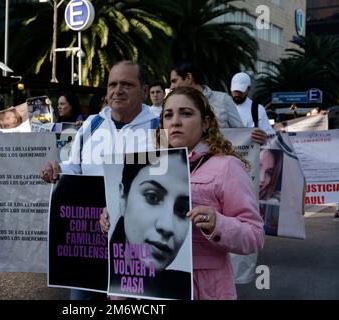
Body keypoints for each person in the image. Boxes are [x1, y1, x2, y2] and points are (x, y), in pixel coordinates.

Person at [101, 86, 264, 299]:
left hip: (205, 289)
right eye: (168, 115)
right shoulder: (147, 163)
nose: (175, 121)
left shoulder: (227, 167)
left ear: (206, 123)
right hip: (133, 290)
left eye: (186, 113)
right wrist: (109, 215)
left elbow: (255, 236)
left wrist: (218, 223)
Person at [41, 60, 158, 299]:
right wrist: (58, 170)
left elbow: (163, 180)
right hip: (88, 243)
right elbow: (75, 167)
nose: (118, 90)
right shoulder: (91, 125)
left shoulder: (159, 128)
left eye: (127, 84)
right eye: (113, 84)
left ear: (144, 91)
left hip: (135, 247)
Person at [109, 149, 191, 299]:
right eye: (152, 197)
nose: (167, 226)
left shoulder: (188, 288)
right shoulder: (89, 279)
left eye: (182, 209)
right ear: (123, 198)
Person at [169, 61, 244, 129]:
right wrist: (162, 142)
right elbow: (163, 134)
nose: (171, 87)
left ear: (189, 78)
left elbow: (241, 133)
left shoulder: (223, 100)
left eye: (174, 81)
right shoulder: (171, 105)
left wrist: (253, 137)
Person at [230, 72, 273, 143]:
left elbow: (270, 135)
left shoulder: (257, 109)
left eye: (240, 91)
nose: (237, 94)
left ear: (248, 89)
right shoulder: (223, 107)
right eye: (235, 91)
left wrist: (264, 136)